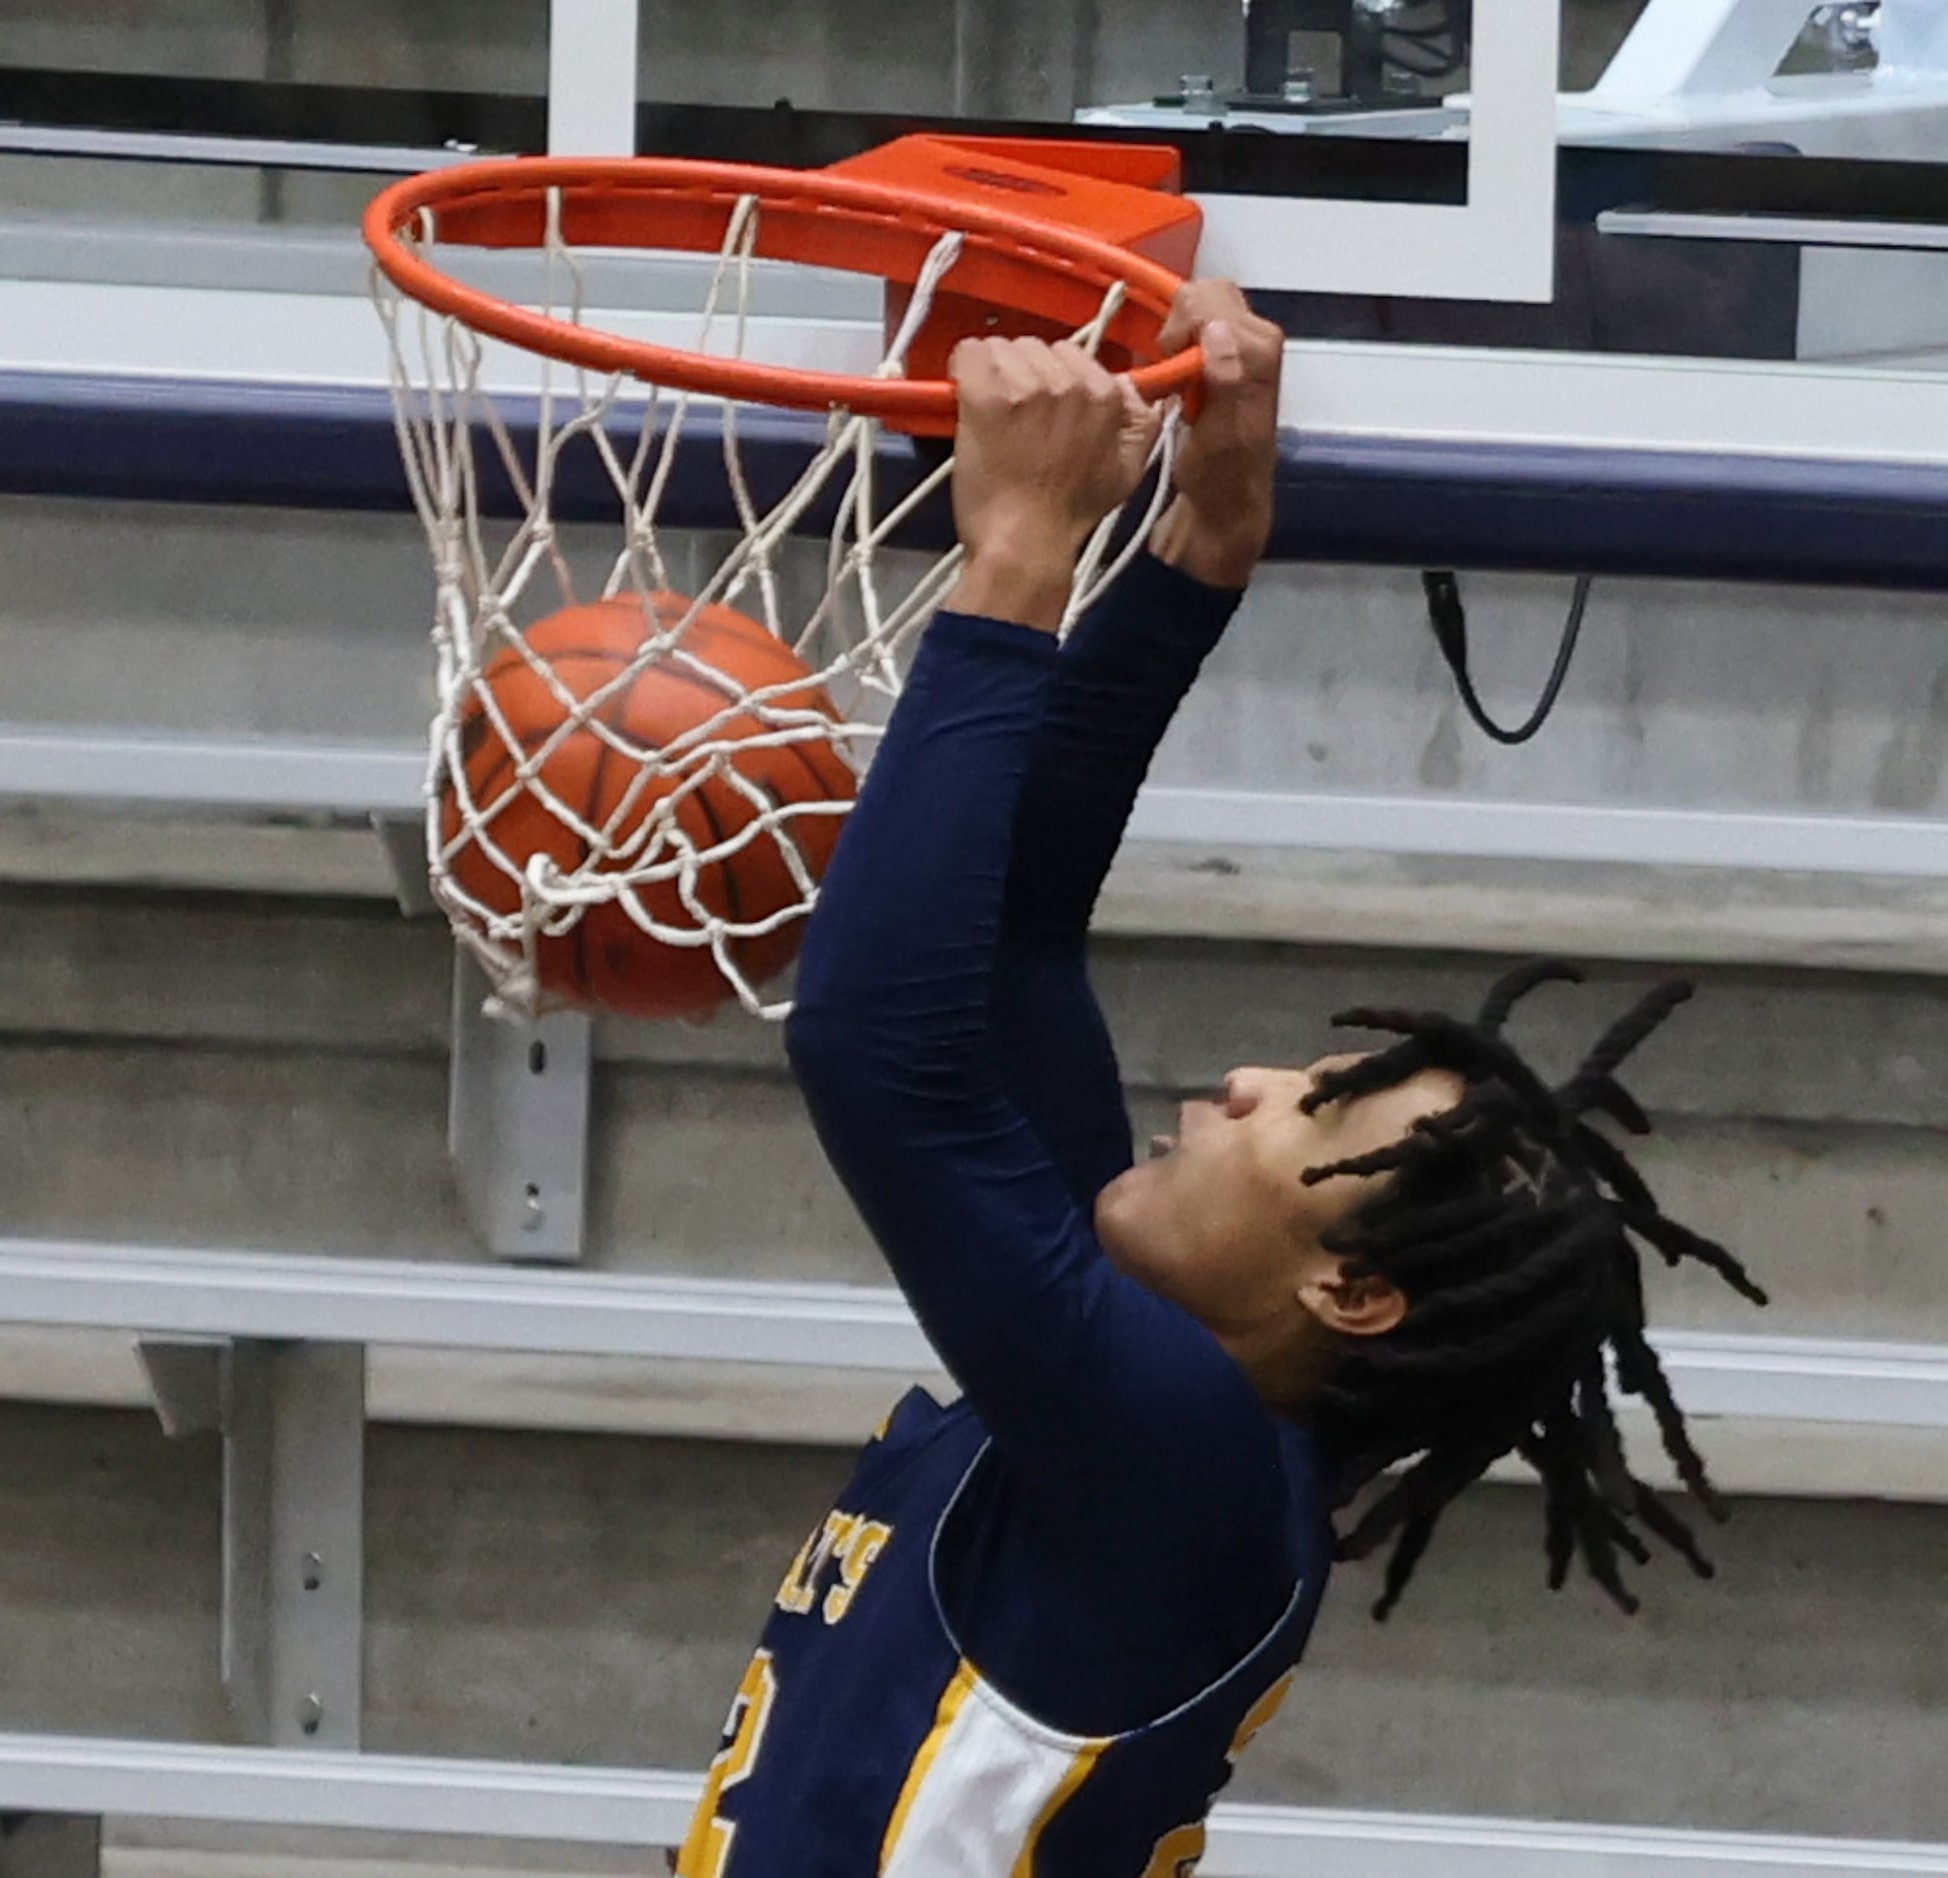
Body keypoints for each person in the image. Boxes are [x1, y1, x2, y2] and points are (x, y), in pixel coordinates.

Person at [673, 283, 1768, 1878]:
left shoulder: (1180, 1460)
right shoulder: (1167, 1409)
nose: (1243, 1081)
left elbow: (873, 1044)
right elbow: (1013, 948)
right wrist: (1194, 559)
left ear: (1352, 1289)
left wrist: (1019, 561)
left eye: (1312, 1108)